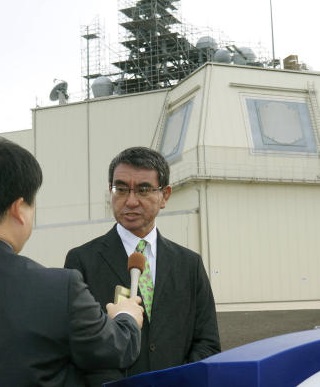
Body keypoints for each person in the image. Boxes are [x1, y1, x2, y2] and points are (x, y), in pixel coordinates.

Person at [65, 146, 221, 385]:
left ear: (165, 195)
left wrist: (181, 380)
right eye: (121, 188)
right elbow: (77, 346)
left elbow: (207, 342)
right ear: (110, 191)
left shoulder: (189, 264)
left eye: (144, 189)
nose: (130, 201)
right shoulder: (82, 261)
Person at [0, 138, 144, 387]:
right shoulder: (58, 288)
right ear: (18, 209)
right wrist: (126, 317)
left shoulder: (189, 262)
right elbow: (114, 348)